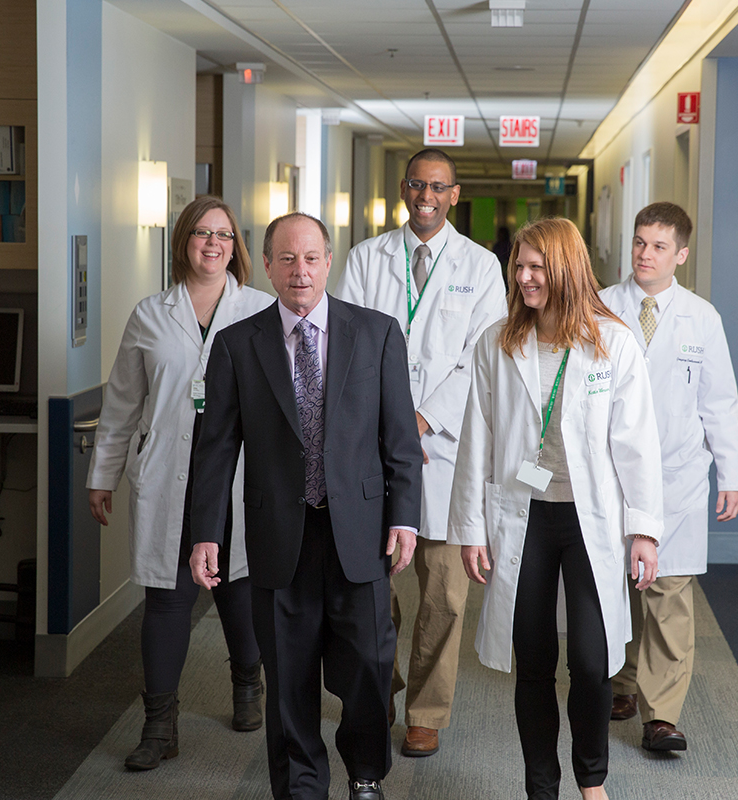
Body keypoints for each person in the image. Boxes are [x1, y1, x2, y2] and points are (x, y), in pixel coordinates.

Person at [189, 212, 424, 800]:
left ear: (329, 261)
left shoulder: (378, 333)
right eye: (287, 259)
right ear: (266, 266)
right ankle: (300, 787)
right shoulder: (237, 345)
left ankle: (366, 774)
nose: (300, 271)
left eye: (312, 258)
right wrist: (205, 534)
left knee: (369, 669)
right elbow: (215, 451)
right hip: (279, 537)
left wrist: (404, 516)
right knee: (289, 678)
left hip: (360, 534)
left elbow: (399, 438)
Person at [448, 217, 664, 800]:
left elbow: (636, 441)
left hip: (591, 520)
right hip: (525, 519)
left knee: (592, 663)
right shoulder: (498, 341)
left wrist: (645, 529)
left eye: (536, 267)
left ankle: (592, 781)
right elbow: (478, 439)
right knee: (534, 660)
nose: (523, 278)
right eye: (518, 266)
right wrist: (471, 528)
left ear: (566, 268)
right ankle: (541, 786)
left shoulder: (611, 340)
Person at [86, 196, 274, 771]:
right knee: (167, 601)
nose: (212, 244)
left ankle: (248, 682)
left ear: (236, 247)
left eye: (223, 235)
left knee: (238, 591)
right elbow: (122, 403)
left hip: (239, 478)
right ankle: (158, 727)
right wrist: (103, 473)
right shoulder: (149, 314)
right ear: (182, 243)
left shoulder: (262, 311)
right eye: (200, 233)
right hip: (168, 474)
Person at [336, 148, 506, 757]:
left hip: (444, 452)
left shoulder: (482, 267)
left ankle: (426, 711)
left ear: (454, 194)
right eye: (416, 185)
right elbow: (345, 346)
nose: (426, 196)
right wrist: (388, 426)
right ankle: (378, 688)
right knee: (369, 587)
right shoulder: (364, 259)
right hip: (371, 450)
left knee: (443, 595)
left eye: (438, 187)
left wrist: (422, 419)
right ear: (403, 189)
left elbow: (479, 359)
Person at [599, 201, 738, 752]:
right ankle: (620, 682)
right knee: (614, 585)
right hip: (612, 473)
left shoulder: (701, 317)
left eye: (659, 246)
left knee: (668, 592)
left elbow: (720, 401)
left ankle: (661, 715)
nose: (645, 254)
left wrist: (731, 472)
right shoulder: (602, 306)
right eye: (639, 242)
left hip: (678, 474)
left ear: (681, 254)